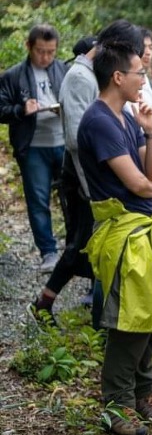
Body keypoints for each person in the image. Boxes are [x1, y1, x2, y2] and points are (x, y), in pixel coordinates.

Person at [77, 40, 152, 435]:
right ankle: (115, 405)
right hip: (123, 232)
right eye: (139, 72)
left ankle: (141, 396)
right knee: (130, 321)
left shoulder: (126, 116)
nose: (144, 78)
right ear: (118, 76)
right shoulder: (99, 121)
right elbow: (142, 182)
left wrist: (151, 130)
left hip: (144, 227)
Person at [27, 35, 99, 326]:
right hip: (76, 175)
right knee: (79, 244)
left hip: (79, 174)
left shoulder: (84, 75)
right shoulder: (81, 77)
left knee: (81, 245)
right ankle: (45, 302)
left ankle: (47, 301)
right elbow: (78, 138)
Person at [0, 24, 68, 273]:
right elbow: (1, 109)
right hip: (33, 146)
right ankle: (48, 252)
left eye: (51, 52)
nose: (46, 57)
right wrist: (21, 109)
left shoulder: (64, 70)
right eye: (41, 51)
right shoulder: (14, 75)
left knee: (71, 197)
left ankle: (73, 250)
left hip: (63, 142)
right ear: (29, 47)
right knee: (38, 200)